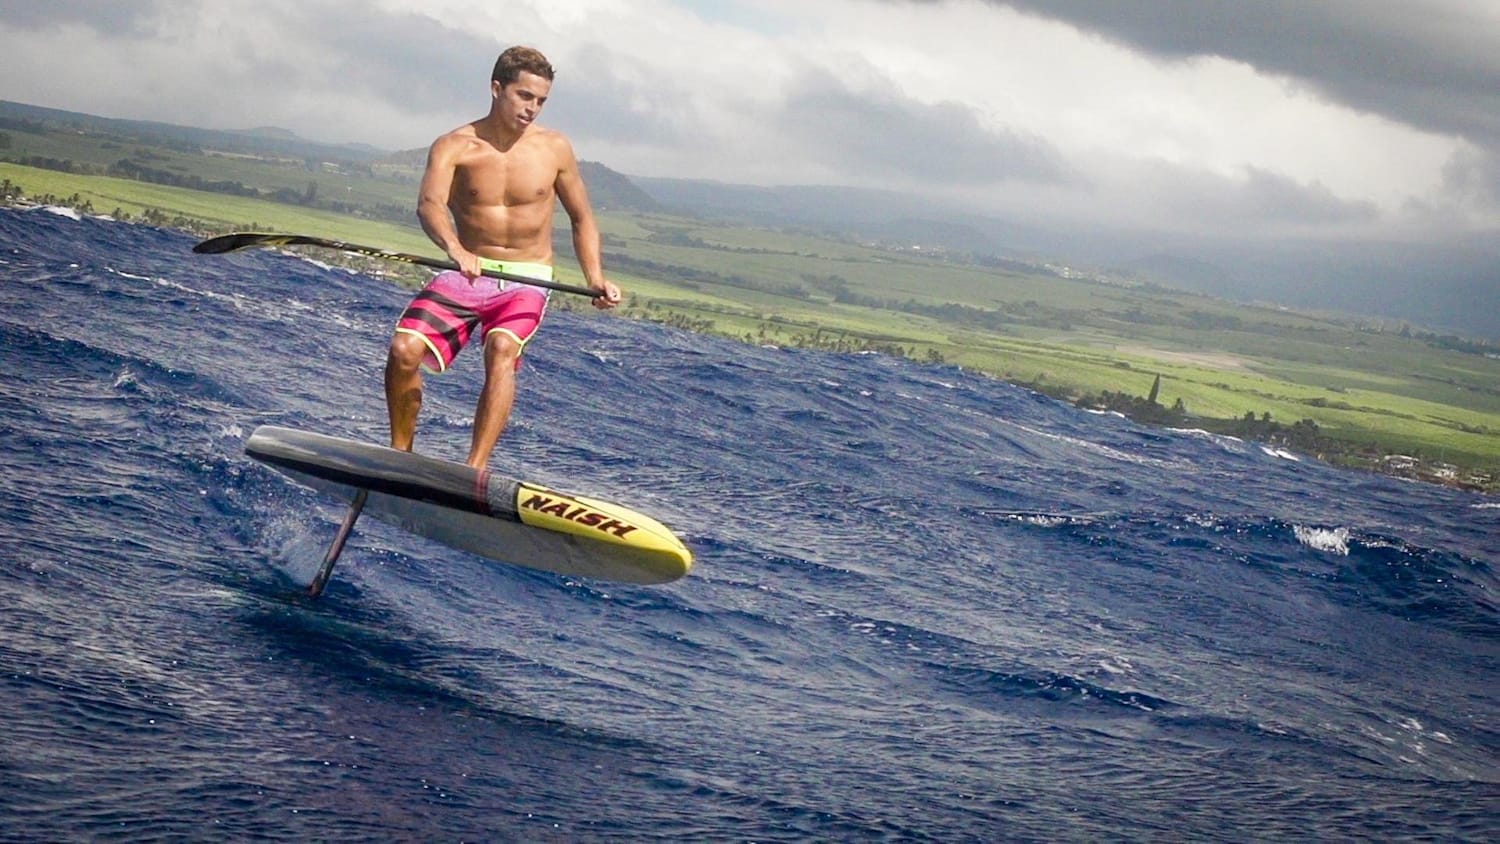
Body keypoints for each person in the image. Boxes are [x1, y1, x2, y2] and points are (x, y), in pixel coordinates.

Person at [385, 45, 621, 470]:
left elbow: (582, 217)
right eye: (524, 96)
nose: (532, 109)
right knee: (404, 349)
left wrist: (595, 278)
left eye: (541, 101)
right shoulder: (454, 146)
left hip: (527, 279)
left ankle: (473, 469)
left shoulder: (555, 149)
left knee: (501, 349)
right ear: (497, 89)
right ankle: (400, 455)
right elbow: (430, 205)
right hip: (467, 271)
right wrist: (455, 249)